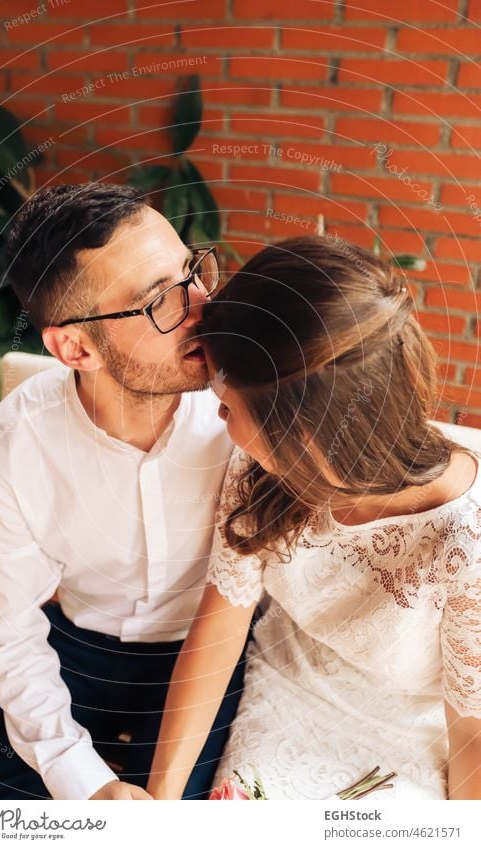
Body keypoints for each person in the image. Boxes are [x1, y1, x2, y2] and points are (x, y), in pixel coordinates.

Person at [146, 235, 481, 801]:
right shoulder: (258, 472)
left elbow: (470, 733)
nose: (218, 417)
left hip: (414, 736)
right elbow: (219, 632)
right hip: (284, 684)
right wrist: (158, 803)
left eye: (228, 406)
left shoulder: (463, 545)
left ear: (305, 435)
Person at [0, 182, 249, 801]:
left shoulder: (249, 415)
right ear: (75, 346)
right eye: (160, 299)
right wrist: (82, 781)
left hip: (210, 661)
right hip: (69, 660)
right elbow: (12, 629)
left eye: (192, 270)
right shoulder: (13, 445)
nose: (202, 304)